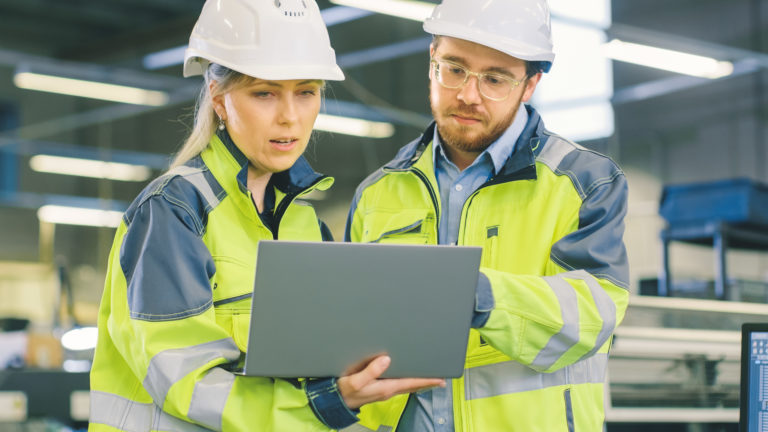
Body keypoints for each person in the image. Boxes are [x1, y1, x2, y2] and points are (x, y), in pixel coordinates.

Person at [88, 0, 443, 430]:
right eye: (265, 93)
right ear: (219, 98)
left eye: (306, 92)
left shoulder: (305, 225)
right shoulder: (173, 212)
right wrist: (324, 404)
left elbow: (323, 369)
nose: (289, 117)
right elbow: (187, 383)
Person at [344, 0, 630, 431]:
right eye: (454, 68)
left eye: (494, 79)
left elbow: (592, 318)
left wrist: (472, 293)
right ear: (431, 59)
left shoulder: (585, 182)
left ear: (530, 85)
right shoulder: (377, 193)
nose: (467, 95)